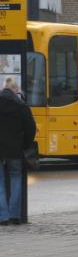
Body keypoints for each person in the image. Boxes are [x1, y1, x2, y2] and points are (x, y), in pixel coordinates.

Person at [0, 77, 36, 225]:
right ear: (15, 89)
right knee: (16, 178)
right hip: (15, 150)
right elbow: (31, 128)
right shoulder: (21, 106)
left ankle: (3, 216)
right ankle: (15, 215)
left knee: (0, 182)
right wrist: (24, 145)